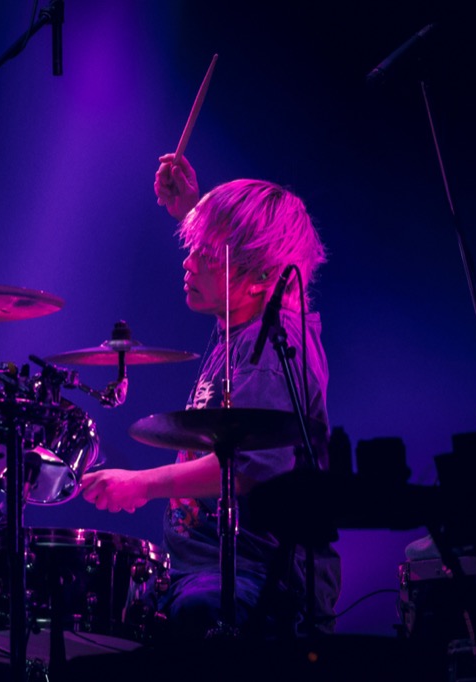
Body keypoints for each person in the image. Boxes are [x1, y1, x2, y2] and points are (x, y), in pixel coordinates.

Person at [80, 152, 341, 652]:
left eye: (206, 253)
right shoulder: (242, 325)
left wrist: (140, 484)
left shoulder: (274, 346)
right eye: (195, 248)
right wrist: (193, 209)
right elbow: (240, 255)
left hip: (257, 575)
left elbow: (246, 470)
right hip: (205, 565)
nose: (188, 261)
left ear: (260, 278)